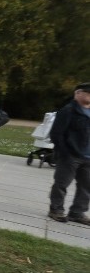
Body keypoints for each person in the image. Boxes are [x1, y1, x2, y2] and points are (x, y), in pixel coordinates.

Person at [48, 82, 90, 224]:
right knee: (61, 184)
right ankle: (56, 210)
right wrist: (64, 152)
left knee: (86, 186)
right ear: (78, 93)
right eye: (88, 92)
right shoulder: (68, 110)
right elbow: (56, 133)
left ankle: (77, 212)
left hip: (88, 157)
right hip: (71, 155)